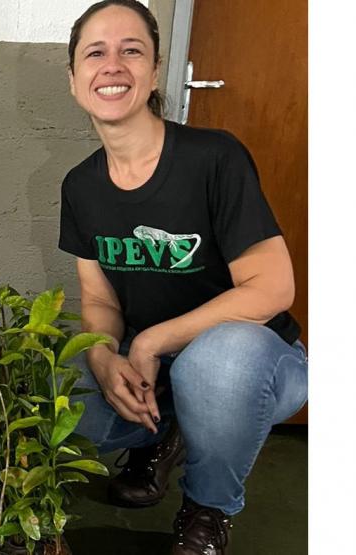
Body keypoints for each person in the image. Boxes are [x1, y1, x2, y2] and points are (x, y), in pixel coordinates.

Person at [57, 1, 307, 554]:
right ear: (74, 78)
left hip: (254, 364)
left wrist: (150, 341)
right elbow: (98, 299)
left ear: (153, 70)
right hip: (160, 371)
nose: (112, 64)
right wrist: (104, 357)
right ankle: (159, 436)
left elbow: (272, 288)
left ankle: (207, 509)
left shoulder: (213, 158)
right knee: (59, 382)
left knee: (217, 363)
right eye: (95, 53)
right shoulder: (80, 187)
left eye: (132, 50)